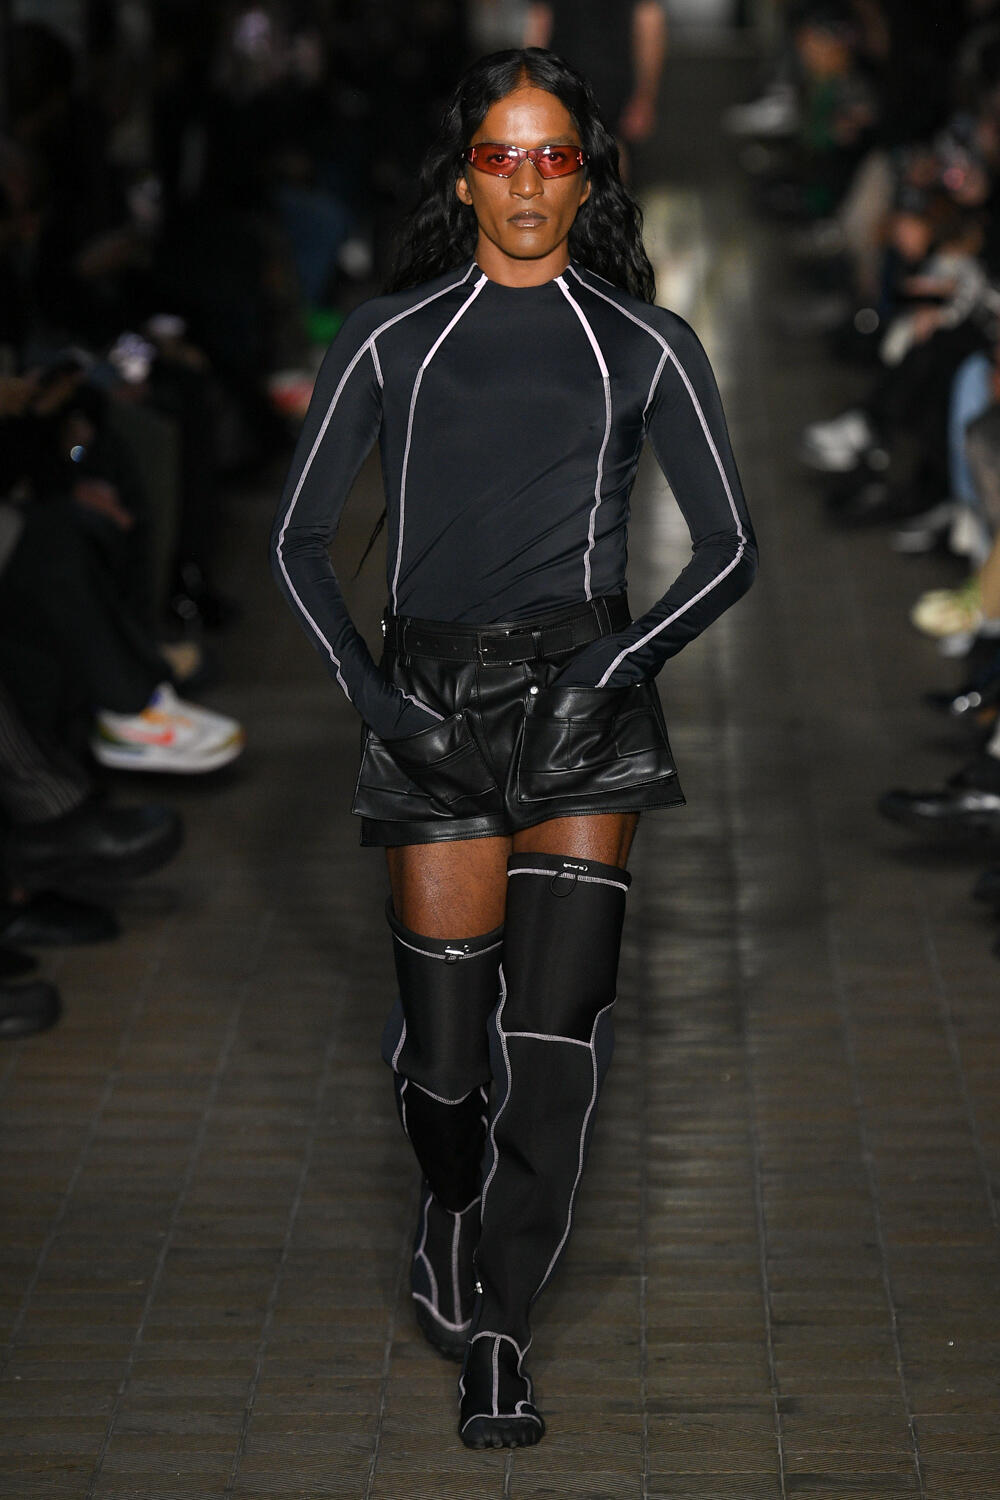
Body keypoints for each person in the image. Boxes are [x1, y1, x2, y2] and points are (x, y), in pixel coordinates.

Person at [271, 47, 756, 1451]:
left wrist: (613, 665)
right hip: (431, 707)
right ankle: (446, 1187)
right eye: (502, 156)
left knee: (554, 1042)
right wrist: (382, 709)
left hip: (583, 707)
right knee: (448, 1072)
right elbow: (298, 543)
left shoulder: (643, 342)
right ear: (465, 175)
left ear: (587, 178)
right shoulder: (393, 337)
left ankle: (500, 1331)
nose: (529, 183)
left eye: (553, 157)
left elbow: (730, 547)